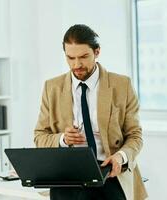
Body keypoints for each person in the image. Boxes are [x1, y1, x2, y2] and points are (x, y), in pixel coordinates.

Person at [34, 24, 147, 200]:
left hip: (110, 174)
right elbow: (39, 136)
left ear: (97, 52)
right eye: (70, 58)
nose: (77, 64)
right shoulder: (52, 87)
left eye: (83, 57)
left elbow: (135, 135)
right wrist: (63, 139)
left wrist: (121, 157)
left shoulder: (121, 85)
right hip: (67, 177)